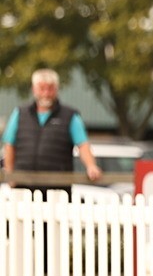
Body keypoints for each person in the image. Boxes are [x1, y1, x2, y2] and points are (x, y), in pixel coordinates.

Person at [2, 68, 102, 198]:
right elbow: (9, 145)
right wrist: (10, 174)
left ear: (57, 89)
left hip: (57, 191)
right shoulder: (20, 113)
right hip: (23, 190)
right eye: (42, 88)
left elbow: (83, 144)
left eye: (50, 88)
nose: (46, 93)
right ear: (34, 89)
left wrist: (91, 166)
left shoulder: (70, 116)